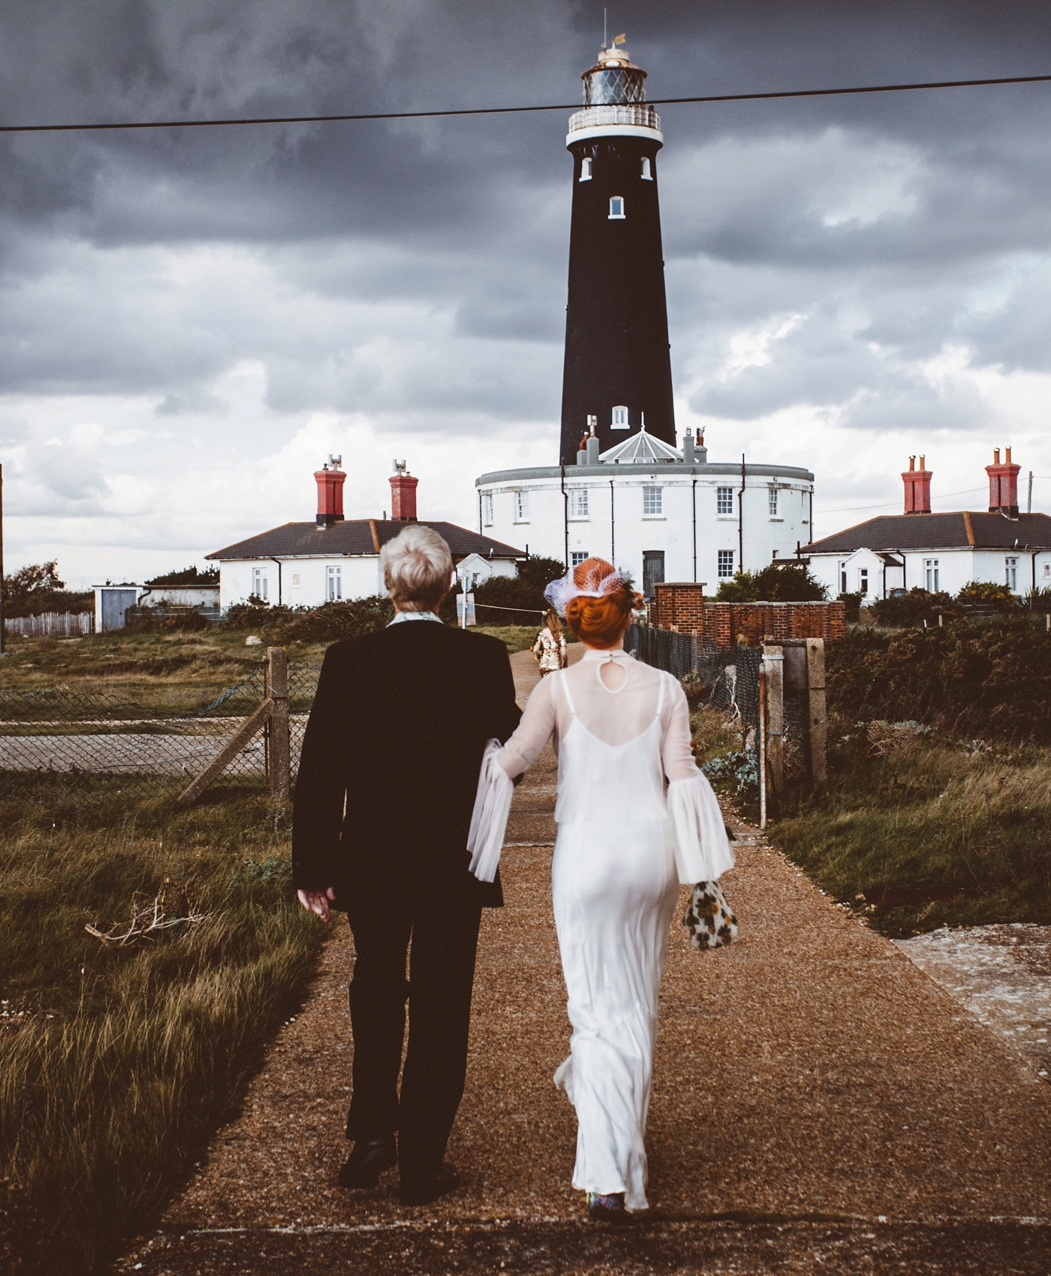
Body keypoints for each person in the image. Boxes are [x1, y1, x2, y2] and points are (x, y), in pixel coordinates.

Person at [467, 556, 734, 1223]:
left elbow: (511, 764)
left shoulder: (555, 691)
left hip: (585, 858)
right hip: (650, 856)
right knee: (636, 1003)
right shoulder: (667, 687)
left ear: (573, 622)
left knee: (593, 1008)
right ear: (629, 613)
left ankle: (606, 1173)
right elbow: (684, 777)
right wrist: (703, 869)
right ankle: (616, 1133)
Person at [293, 523, 522, 1206]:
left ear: (387, 585)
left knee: (376, 988)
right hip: (453, 860)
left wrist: (312, 866)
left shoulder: (347, 659)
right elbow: (509, 737)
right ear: (450, 585)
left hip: (373, 857)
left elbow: (319, 770)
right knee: (443, 1000)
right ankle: (423, 1158)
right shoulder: (481, 657)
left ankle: (371, 1135)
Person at [533, 608, 565, 674]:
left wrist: (539, 657)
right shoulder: (560, 634)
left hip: (543, 665)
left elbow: (535, 650)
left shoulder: (541, 633)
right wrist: (565, 662)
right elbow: (564, 653)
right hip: (555, 666)